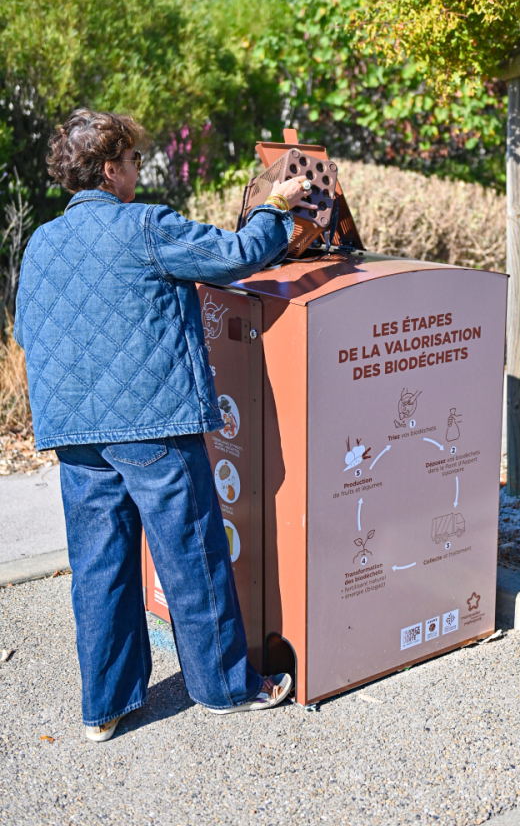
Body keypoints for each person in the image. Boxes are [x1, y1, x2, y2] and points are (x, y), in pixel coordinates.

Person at [14, 109, 315, 742]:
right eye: (129, 162)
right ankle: (226, 687)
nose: (136, 171)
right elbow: (234, 257)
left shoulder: (40, 242)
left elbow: (27, 333)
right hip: (152, 421)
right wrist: (277, 206)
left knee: (99, 564)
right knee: (193, 553)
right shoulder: (144, 225)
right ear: (109, 169)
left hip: (75, 434)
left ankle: (105, 707)